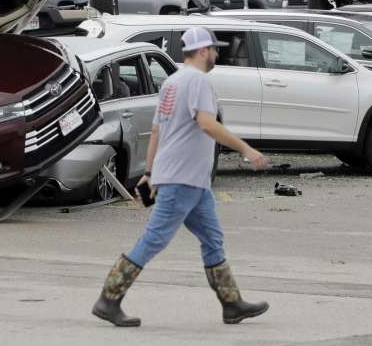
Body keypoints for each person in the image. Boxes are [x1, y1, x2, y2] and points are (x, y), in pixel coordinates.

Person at [91, 27, 270, 327]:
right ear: (202, 51)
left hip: (191, 180)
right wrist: (246, 149)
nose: (216, 53)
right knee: (154, 239)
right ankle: (109, 299)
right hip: (183, 178)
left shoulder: (171, 83)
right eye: (214, 49)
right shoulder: (198, 81)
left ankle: (231, 303)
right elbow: (207, 124)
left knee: (212, 239)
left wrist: (149, 172)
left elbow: (158, 131)